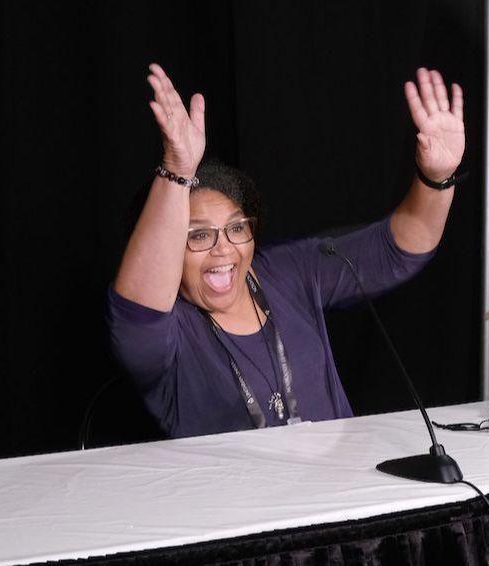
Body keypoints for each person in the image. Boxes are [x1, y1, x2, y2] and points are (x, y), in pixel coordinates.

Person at [107, 64, 465, 438]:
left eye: (236, 228)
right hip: (236, 497)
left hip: (338, 487)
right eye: (198, 236)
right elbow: (138, 308)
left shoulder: (288, 271)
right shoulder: (164, 335)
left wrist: (436, 178)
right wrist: (178, 171)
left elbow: (398, 250)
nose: (223, 249)